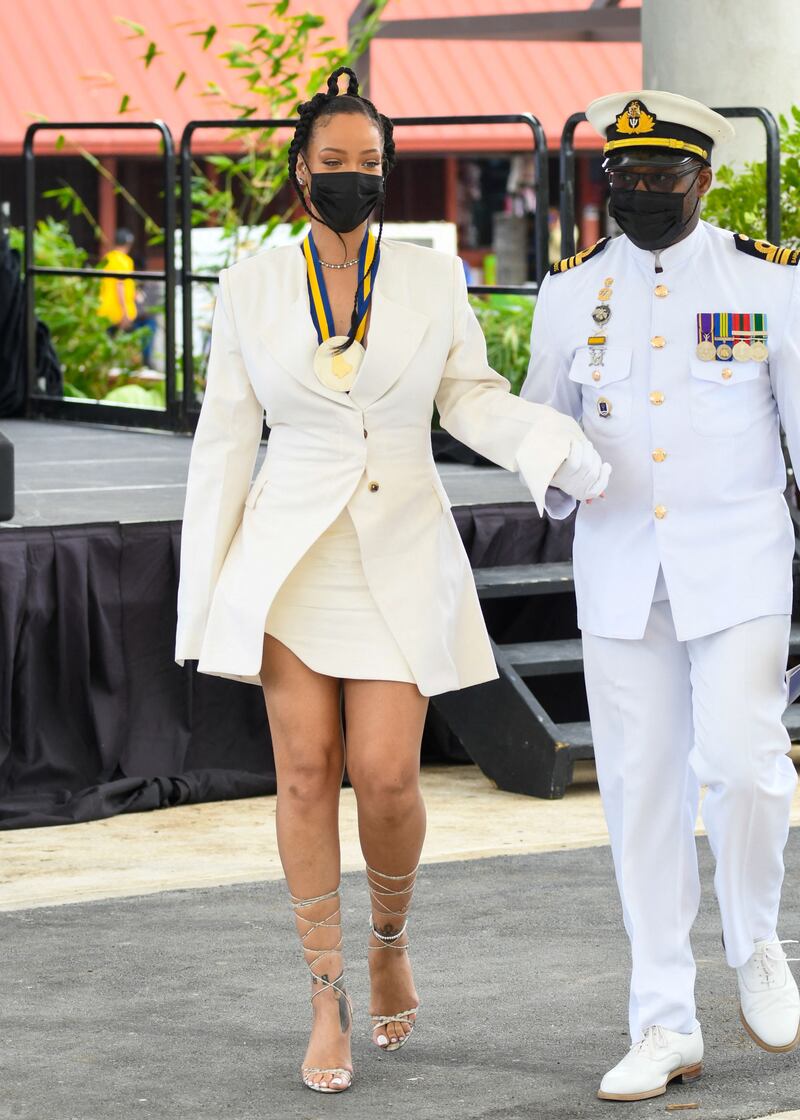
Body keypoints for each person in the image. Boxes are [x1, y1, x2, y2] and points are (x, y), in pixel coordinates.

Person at [175, 66, 609, 1095]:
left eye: (369, 165)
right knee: (303, 772)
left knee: (386, 775)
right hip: (290, 559)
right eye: (334, 164)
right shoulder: (249, 286)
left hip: (400, 549)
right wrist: (204, 602)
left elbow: (468, 396)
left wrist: (551, 446)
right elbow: (224, 443)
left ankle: (388, 934)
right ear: (299, 170)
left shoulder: (430, 275)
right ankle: (324, 991)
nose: (353, 180)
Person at [522, 90, 800, 1102]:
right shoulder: (569, 292)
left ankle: (756, 938)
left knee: (743, 767)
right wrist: (558, 471)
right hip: (618, 572)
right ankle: (662, 1020)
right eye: (622, 178)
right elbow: (537, 428)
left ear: (704, 181)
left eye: (659, 178)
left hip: (737, 566)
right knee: (640, 799)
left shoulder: (765, 283)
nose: (638, 192)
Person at [98, 228, 137, 332]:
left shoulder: (107, 258)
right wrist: (125, 312)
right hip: (118, 313)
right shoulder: (125, 261)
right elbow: (120, 285)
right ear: (128, 244)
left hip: (104, 310)